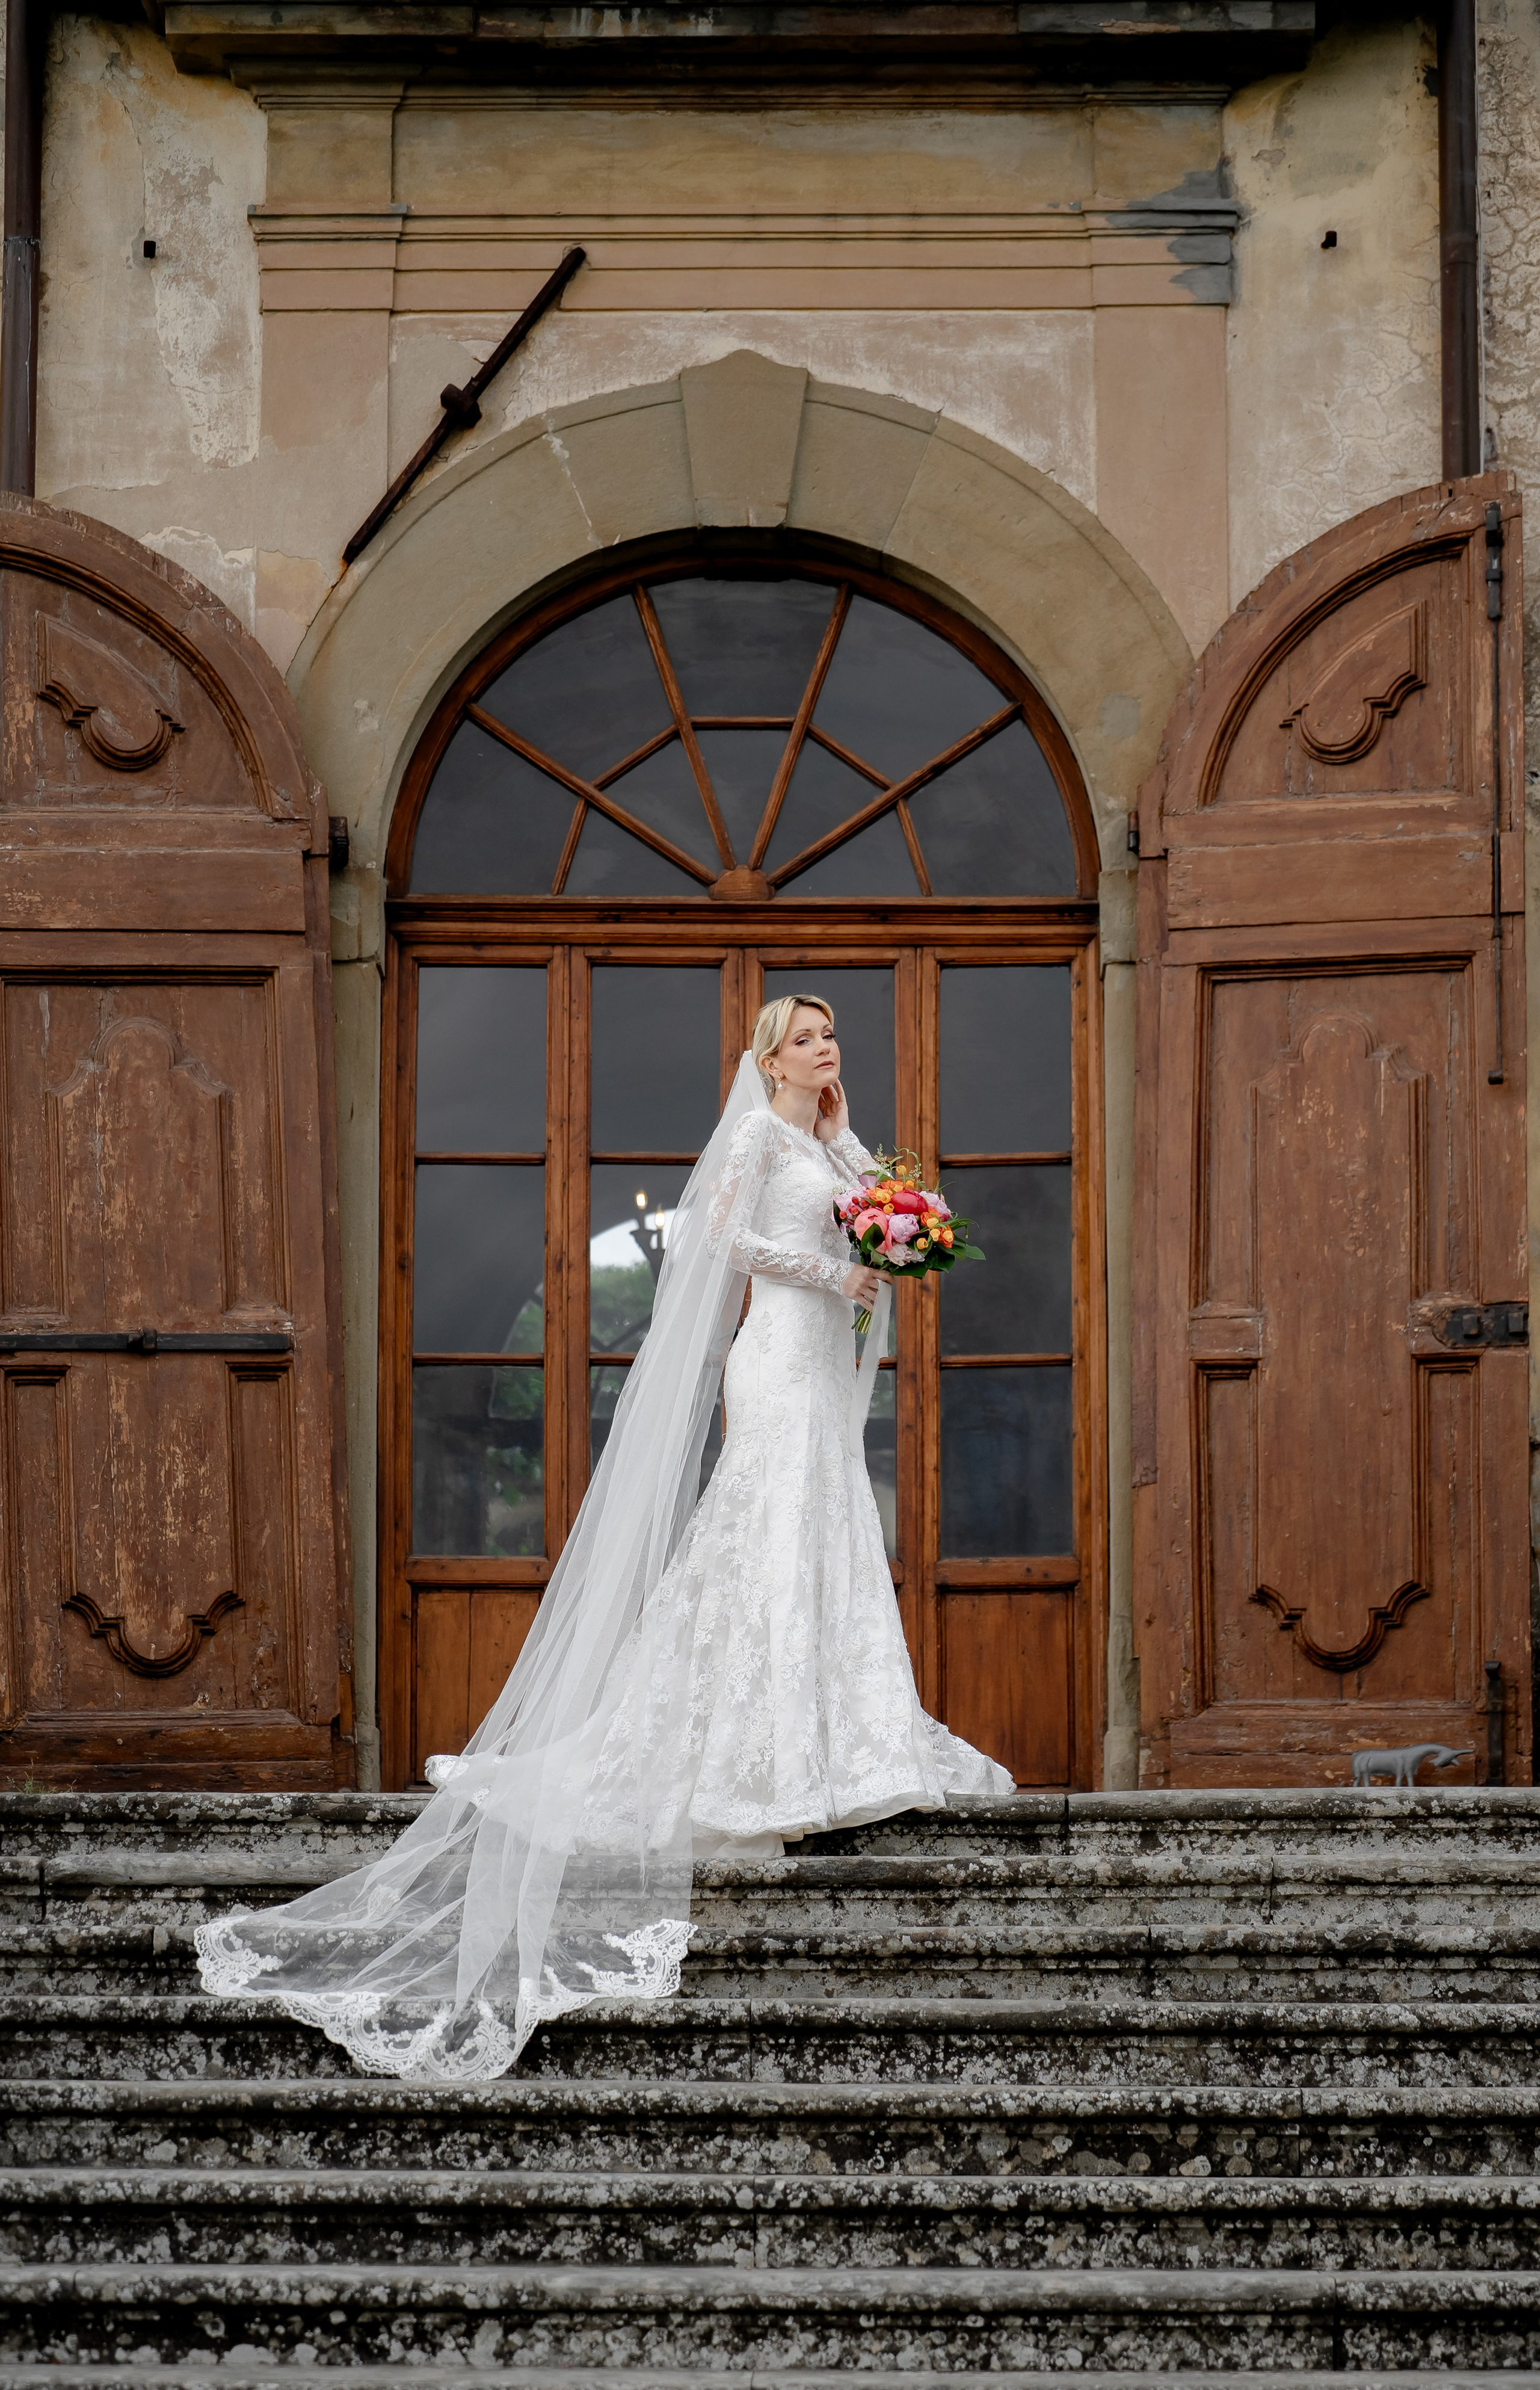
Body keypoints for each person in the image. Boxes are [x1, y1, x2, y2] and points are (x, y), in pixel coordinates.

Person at [196, 995, 1011, 2081]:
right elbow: (725, 1239)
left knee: (824, 1527)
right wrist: (834, 1270)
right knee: (762, 1530)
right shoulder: (756, 1136)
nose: (828, 1047)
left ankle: (835, 1738)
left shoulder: (816, 1137)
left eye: (831, 1034)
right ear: (768, 1057)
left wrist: (849, 1147)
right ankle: (747, 1754)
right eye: (808, 1038)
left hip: (821, 1368)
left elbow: (885, 1211)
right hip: (776, 1357)